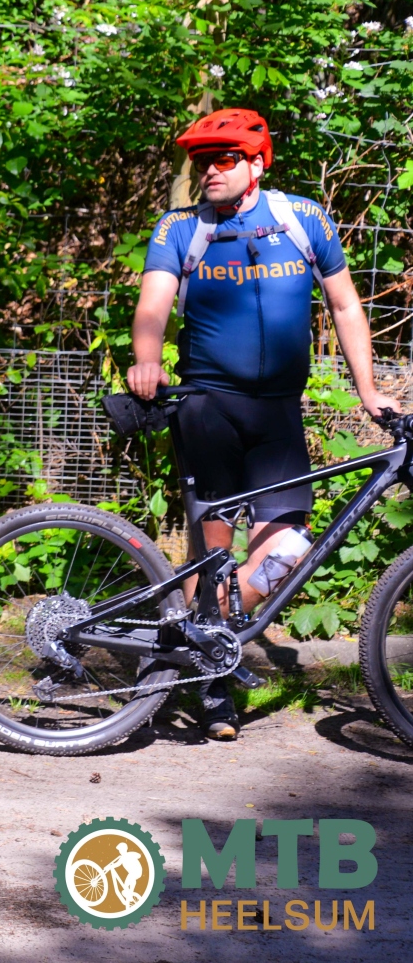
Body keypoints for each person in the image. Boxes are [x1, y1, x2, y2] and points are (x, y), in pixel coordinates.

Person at [127, 108, 397, 741]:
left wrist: (368, 392)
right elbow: (153, 305)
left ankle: (193, 642)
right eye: (201, 162)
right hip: (207, 405)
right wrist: (146, 359)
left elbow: (344, 304)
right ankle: (210, 683)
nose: (208, 171)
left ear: (256, 163)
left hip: (278, 410)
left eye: (223, 159)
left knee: (288, 550)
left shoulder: (303, 218)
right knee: (213, 557)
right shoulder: (180, 228)